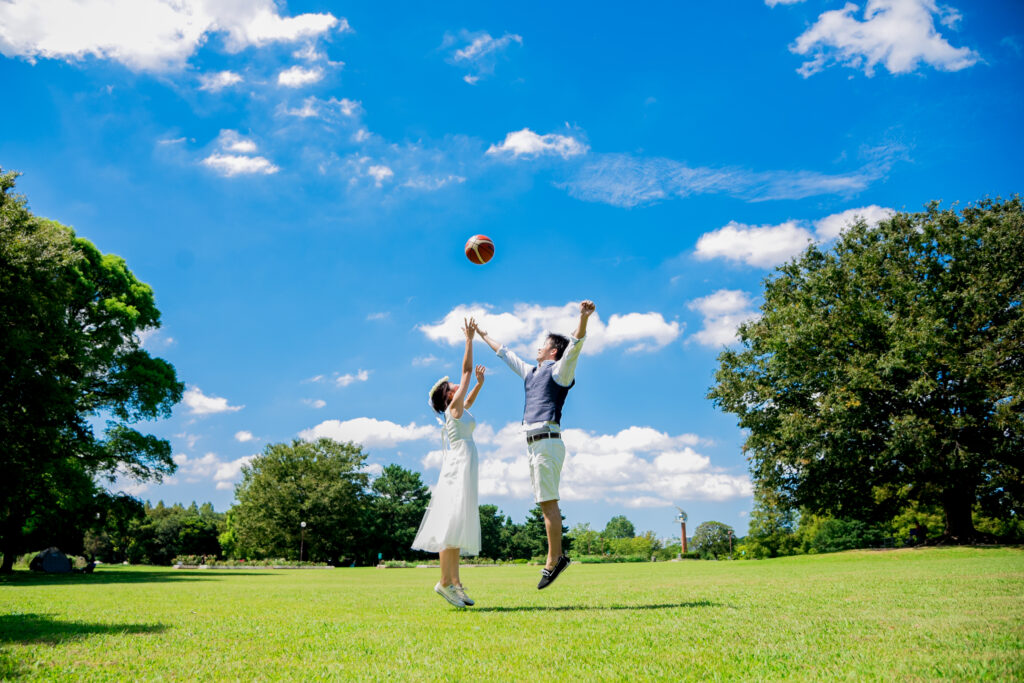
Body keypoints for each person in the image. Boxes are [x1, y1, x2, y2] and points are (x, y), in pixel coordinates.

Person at [475, 300, 595, 589]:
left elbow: (575, 345)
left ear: (553, 351)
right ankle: (556, 557)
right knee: (544, 502)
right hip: (534, 444)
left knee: (548, 502)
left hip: (548, 441)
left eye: (542, 345)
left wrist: (583, 317)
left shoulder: (559, 371)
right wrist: (481, 333)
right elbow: (504, 353)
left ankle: (554, 560)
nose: (538, 348)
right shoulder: (530, 372)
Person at [413, 318, 485, 608]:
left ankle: (455, 582)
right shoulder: (453, 409)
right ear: (447, 397)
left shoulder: (459, 409)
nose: (457, 385)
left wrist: (478, 386)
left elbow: (469, 402)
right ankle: (444, 582)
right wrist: (469, 339)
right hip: (458, 465)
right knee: (451, 523)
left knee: (457, 524)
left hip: (465, 463)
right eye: (451, 386)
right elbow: (466, 369)